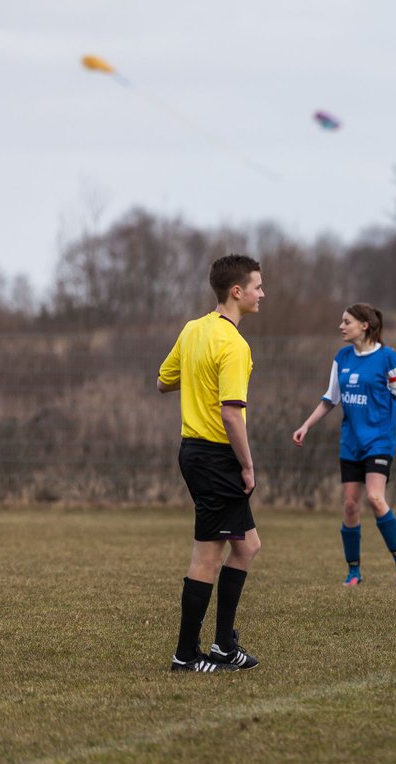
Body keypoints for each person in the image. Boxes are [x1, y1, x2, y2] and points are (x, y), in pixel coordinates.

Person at [157, 254, 265, 672]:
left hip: (194, 452)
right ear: (236, 291)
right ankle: (185, 654)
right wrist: (248, 465)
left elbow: (164, 380)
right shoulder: (234, 344)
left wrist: (197, 370)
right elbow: (231, 414)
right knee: (207, 556)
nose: (263, 293)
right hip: (216, 456)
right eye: (258, 285)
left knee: (248, 546)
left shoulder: (193, 329)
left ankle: (222, 645)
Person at [292, 303, 396, 586]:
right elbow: (330, 399)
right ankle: (354, 571)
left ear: (365, 325)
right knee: (351, 505)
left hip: (379, 441)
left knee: (376, 499)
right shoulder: (342, 358)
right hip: (350, 442)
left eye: (346, 322)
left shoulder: (388, 358)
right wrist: (306, 425)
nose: (341, 327)